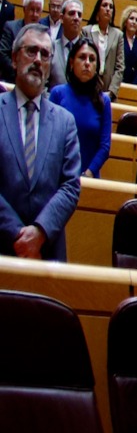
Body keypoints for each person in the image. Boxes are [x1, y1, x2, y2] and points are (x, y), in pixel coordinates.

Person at [1, 25, 82, 262]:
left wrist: (39, 232)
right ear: (15, 59)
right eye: (31, 51)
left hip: (47, 250)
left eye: (45, 54)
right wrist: (19, 235)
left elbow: (70, 186)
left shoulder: (65, 121)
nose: (38, 60)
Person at [49, 38, 112, 179]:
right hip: (57, 177)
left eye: (92, 59)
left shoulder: (104, 101)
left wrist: (88, 174)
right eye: (82, 57)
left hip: (89, 178)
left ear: (97, 67)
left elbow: (105, 147)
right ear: (71, 62)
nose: (87, 63)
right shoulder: (57, 94)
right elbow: (48, 138)